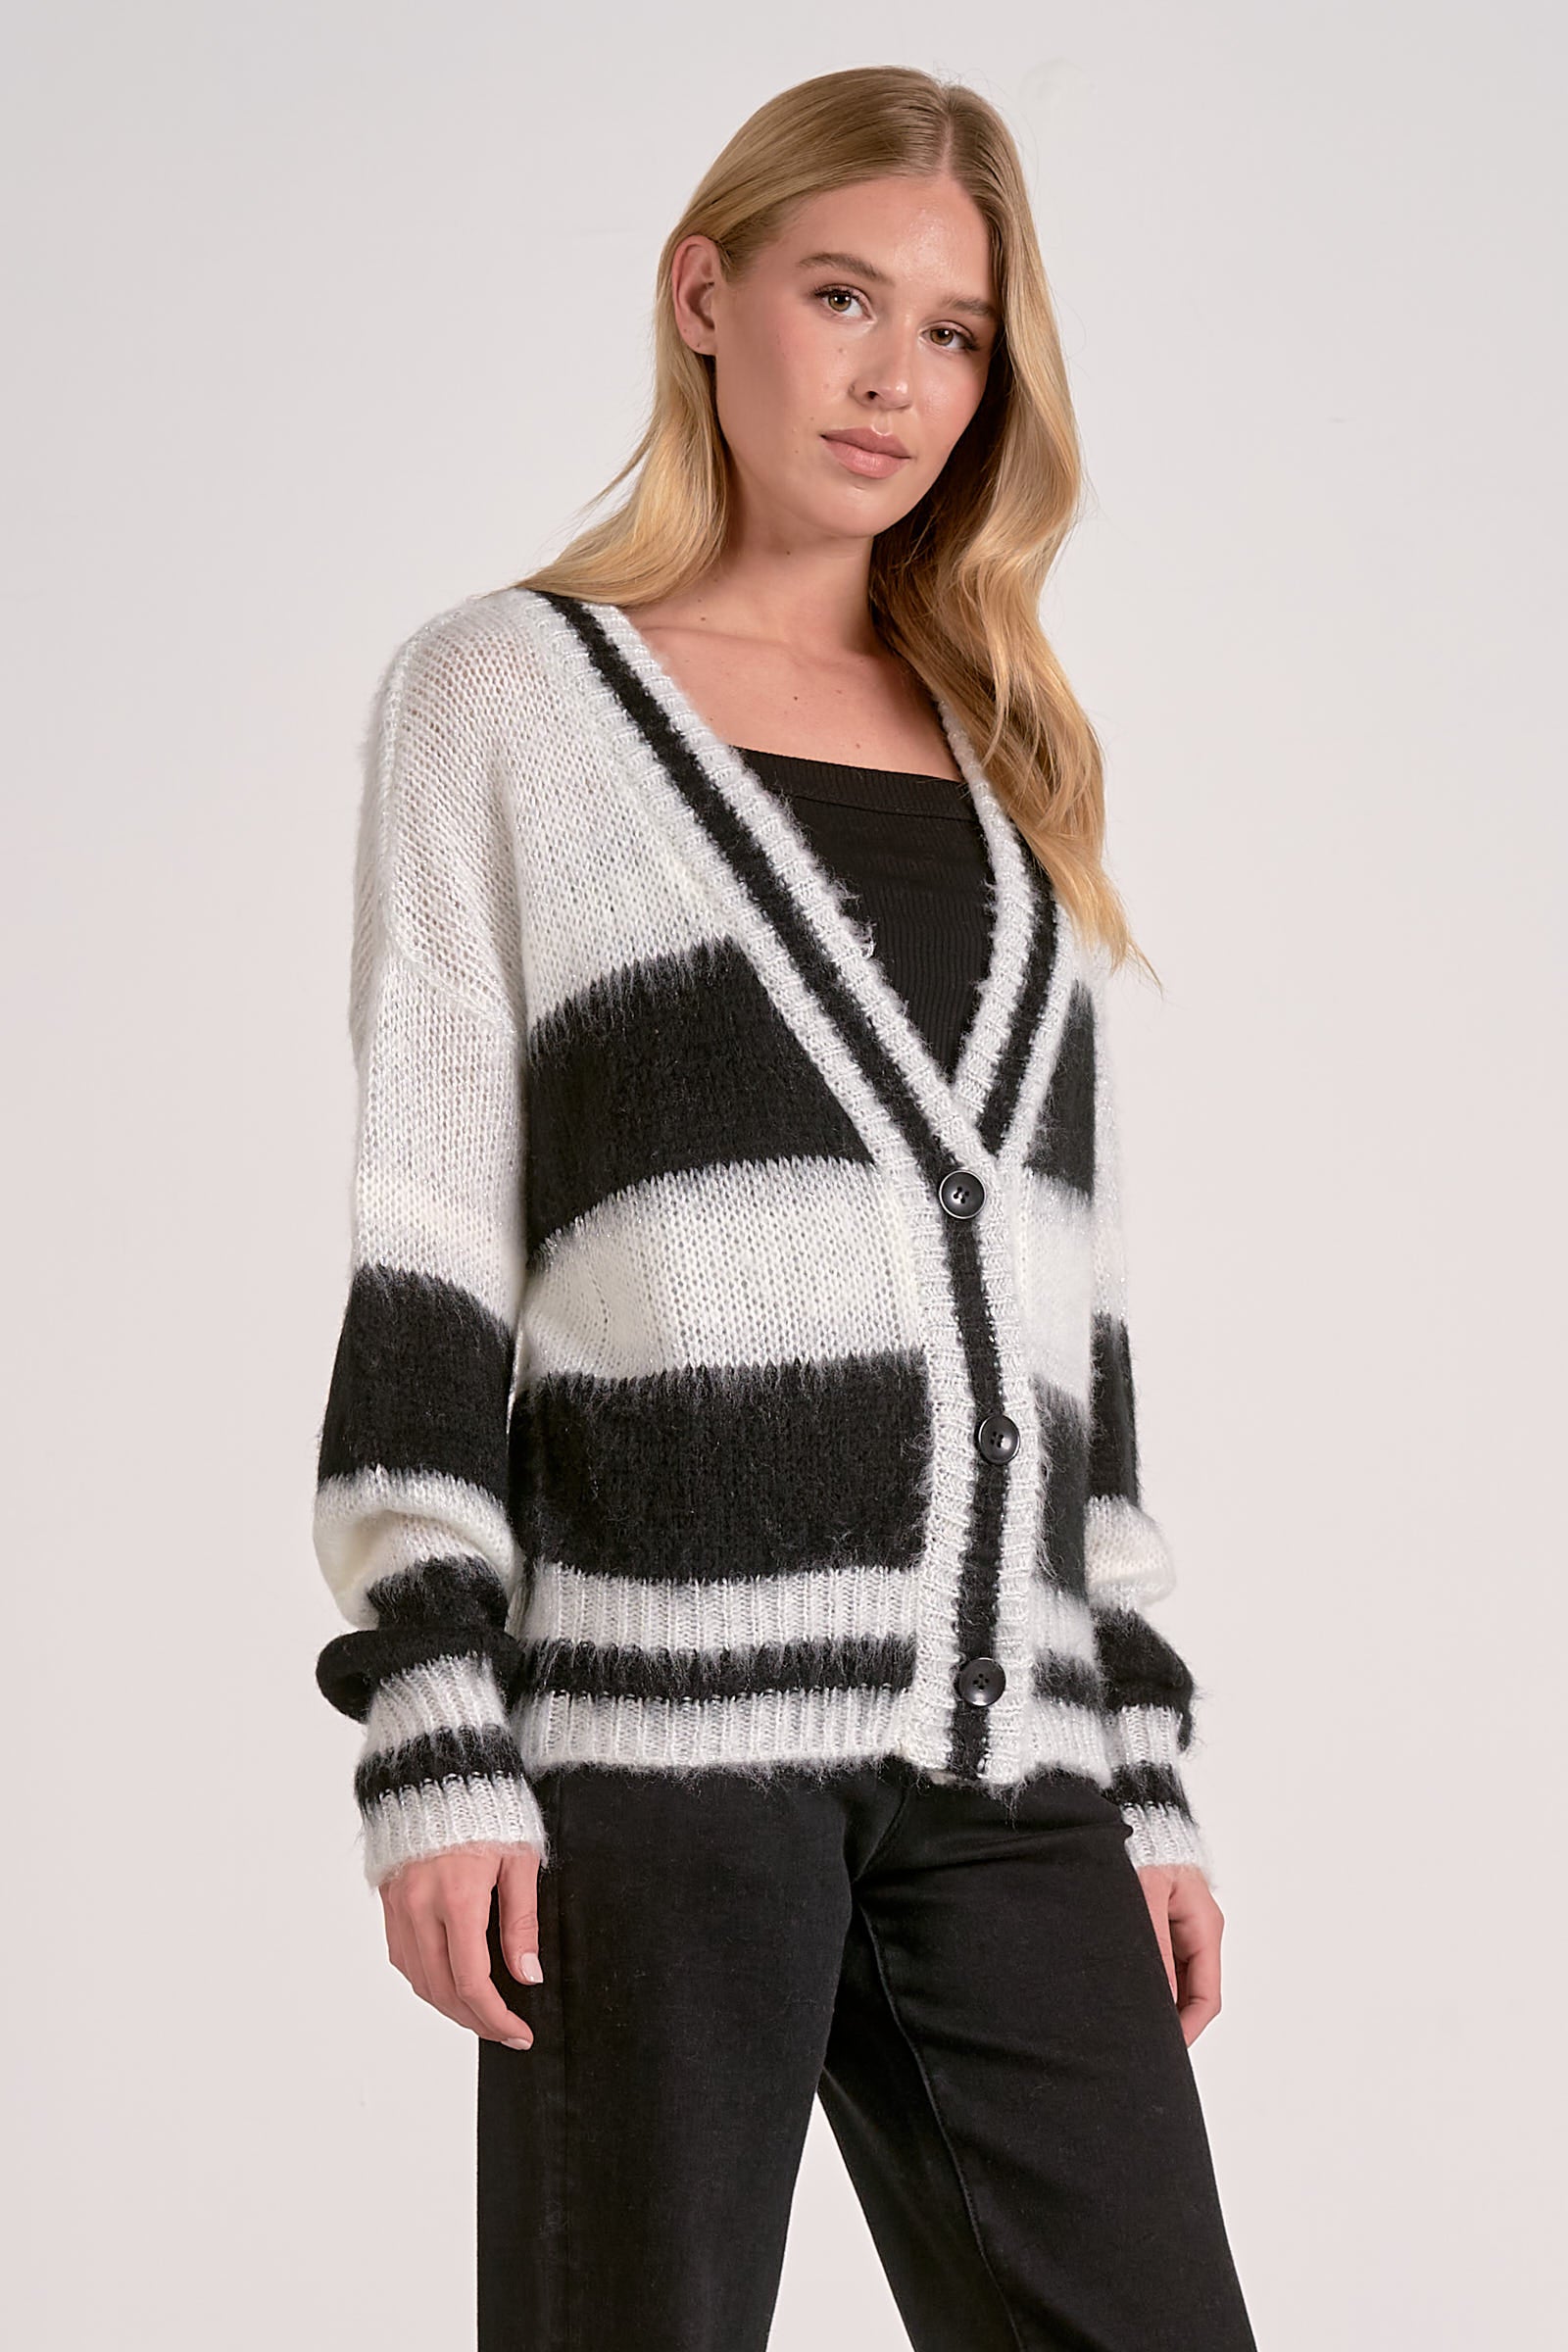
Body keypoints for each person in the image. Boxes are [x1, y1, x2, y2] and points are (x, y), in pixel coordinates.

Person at [312, 63, 1257, 2352]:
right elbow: (432, 1234)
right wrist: (433, 1723)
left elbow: (1071, 1315)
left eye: (952, 334)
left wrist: (1137, 1765)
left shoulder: (1010, 752)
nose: (891, 379)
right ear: (702, 295)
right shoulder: (502, 698)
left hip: (1010, 1765)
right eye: (841, 297)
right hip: (647, 1766)